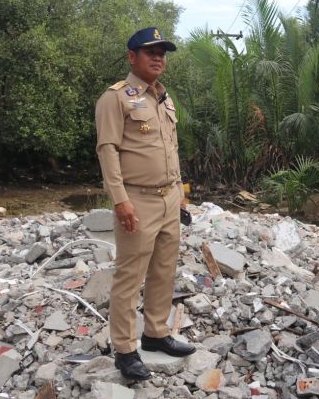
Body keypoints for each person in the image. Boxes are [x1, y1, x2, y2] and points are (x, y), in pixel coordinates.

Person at [95, 27, 196, 381]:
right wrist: (120, 201)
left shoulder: (164, 98)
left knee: (164, 270)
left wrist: (181, 195)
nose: (158, 58)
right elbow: (107, 150)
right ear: (131, 57)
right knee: (129, 275)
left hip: (168, 197)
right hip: (137, 198)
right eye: (150, 51)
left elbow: (172, 149)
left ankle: (156, 332)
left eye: (162, 53)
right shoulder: (116, 98)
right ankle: (125, 349)